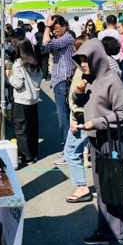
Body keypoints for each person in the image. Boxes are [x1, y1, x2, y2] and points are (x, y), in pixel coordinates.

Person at [73, 39, 123, 245]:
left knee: (112, 186)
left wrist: (96, 122)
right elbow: (81, 103)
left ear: (97, 57)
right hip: (96, 139)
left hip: (113, 140)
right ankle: (105, 230)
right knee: (100, 187)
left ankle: (122, 236)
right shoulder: (88, 79)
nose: (83, 65)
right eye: (80, 61)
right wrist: (78, 94)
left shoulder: (113, 81)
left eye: (85, 60)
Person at [44, 15, 76, 165]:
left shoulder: (68, 38)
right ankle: (67, 148)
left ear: (65, 26)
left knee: (64, 118)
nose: (54, 32)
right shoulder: (62, 39)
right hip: (58, 80)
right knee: (63, 118)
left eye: (56, 29)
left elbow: (46, 45)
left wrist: (46, 27)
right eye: (53, 29)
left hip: (63, 81)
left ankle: (69, 151)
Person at [64, 35, 93, 203]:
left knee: (71, 151)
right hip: (86, 115)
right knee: (92, 151)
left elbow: (78, 97)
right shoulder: (90, 68)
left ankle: (81, 186)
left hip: (81, 116)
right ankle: (98, 185)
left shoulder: (83, 70)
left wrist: (75, 117)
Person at [7, 38, 42, 165]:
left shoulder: (18, 64)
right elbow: (39, 78)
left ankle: (25, 156)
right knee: (33, 127)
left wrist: (8, 75)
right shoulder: (35, 62)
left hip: (21, 100)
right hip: (33, 99)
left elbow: (17, 83)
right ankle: (33, 154)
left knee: (21, 128)